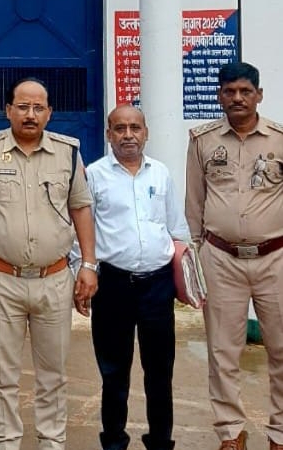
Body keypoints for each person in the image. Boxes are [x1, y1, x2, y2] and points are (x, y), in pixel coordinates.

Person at [0, 76, 97, 450]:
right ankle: (6, 443)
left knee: (54, 374)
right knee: (3, 375)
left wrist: (89, 264)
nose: (30, 115)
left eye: (38, 108)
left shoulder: (68, 153)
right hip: (2, 280)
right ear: (8, 110)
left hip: (54, 280)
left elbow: (81, 208)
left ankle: (52, 442)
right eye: (22, 107)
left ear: (49, 113)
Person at [185, 61, 283, 450]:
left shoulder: (279, 139)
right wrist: (197, 255)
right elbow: (195, 202)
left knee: (281, 348)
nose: (237, 98)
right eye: (229, 91)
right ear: (219, 96)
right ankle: (231, 432)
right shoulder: (203, 140)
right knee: (223, 351)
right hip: (221, 258)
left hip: (276, 257)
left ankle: (279, 433)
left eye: (245, 91)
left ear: (259, 95)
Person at [86, 105, 189, 450]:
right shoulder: (94, 175)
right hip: (112, 286)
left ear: (146, 133)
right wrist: (83, 273)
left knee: (160, 372)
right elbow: (80, 233)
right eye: (120, 128)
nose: (128, 135)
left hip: (157, 287)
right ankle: (114, 442)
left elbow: (176, 228)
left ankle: (160, 441)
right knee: (114, 373)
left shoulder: (160, 173)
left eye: (135, 128)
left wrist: (185, 278)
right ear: (108, 134)